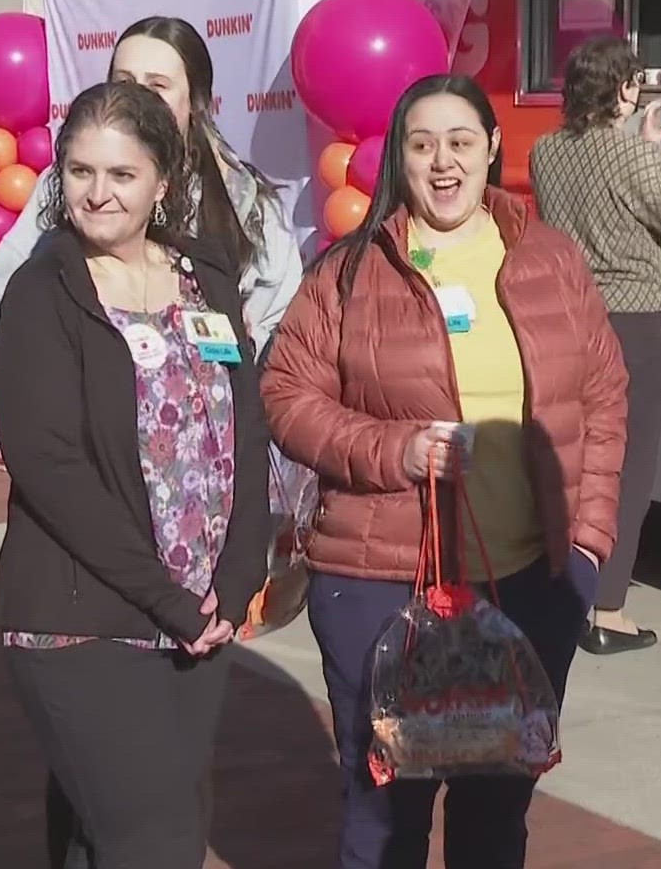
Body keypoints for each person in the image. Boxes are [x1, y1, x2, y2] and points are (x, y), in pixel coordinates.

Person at [262, 74, 628, 869]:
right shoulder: (352, 271)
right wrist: (391, 450)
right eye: (422, 144)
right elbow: (286, 395)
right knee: (385, 817)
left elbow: (602, 394)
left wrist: (590, 542)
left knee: (497, 817)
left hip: (530, 581)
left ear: (493, 148)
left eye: (461, 142)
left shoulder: (549, 257)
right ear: (400, 155)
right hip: (378, 583)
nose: (442, 163)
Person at [0, 80, 274, 869]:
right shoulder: (43, 293)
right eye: (80, 172)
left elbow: (245, 426)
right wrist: (165, 599)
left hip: (203, 612)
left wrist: (242, 567)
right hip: (88, 617)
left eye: (120, 174)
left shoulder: (205, 277)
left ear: (162, 181)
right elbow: (50, 468)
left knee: (111, 835)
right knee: (157, 840)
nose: (97, 193)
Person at [529, 35, 661, 655]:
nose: (641, 95)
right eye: (635, 84)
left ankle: (560, 581)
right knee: (628, 462)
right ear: (619, 89)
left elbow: (599, 193)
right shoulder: (633, 160)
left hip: (568, 317)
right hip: (633, 323)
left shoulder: (545, 152)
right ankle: (606, 607)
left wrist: (647, 151)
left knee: (573, 457)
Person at [0, 14, 302, 368]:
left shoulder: (245, 201)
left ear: (195, 101)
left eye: (158, 85)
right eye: (125, 82)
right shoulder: (68, 187)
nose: (139, 98)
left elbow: (279, 316)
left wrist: (240, 357)